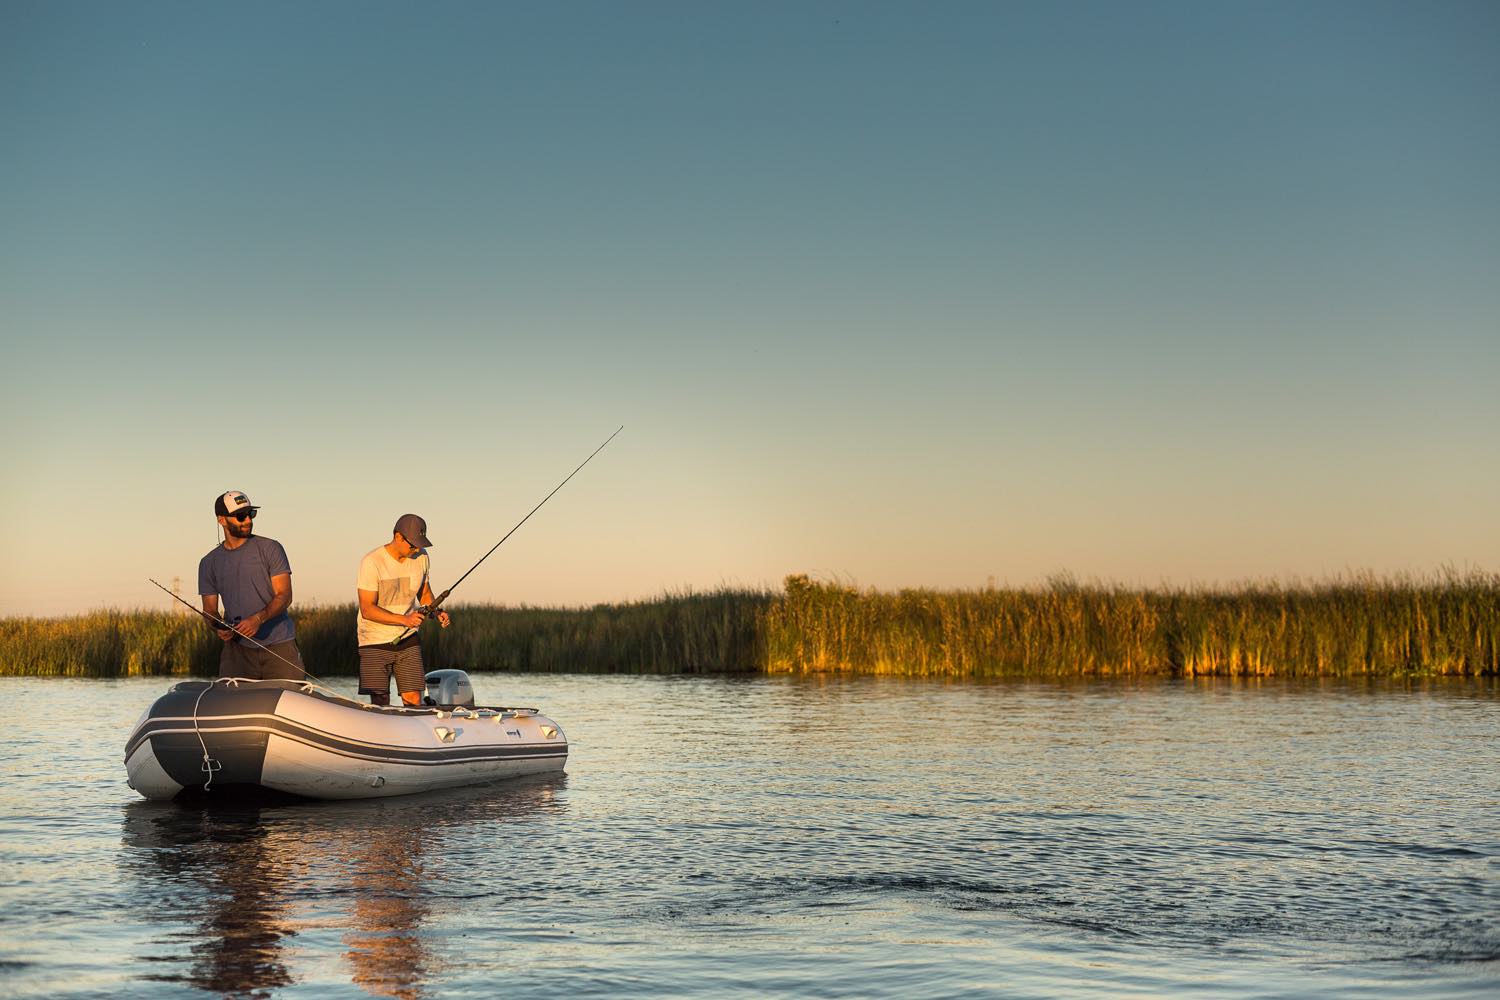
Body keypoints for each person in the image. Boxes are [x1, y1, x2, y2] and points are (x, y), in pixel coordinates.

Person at [198, 490, 306, 680]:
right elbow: (209, 611)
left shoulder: (271, 548)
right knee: (231, 706)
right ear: (222, 520)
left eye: (251, 514)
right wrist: (218, 627)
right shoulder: (208, 563)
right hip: (236, 653)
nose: (248, 520)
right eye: (241, 516)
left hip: (280, 646)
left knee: (296, 701)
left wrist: (258, 619)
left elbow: (284, 595)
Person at [356, 513, 451, 706]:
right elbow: (367, 609)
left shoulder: (422, 556)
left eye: (419, 543)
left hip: (408, 638)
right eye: (413, 544)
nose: (416, 548)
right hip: (373, 639)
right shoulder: (372, 562)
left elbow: (424, 595)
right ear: (398, 536)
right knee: (380, 700)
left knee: (413, 699)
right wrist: (404, 619)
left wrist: (436, 611)